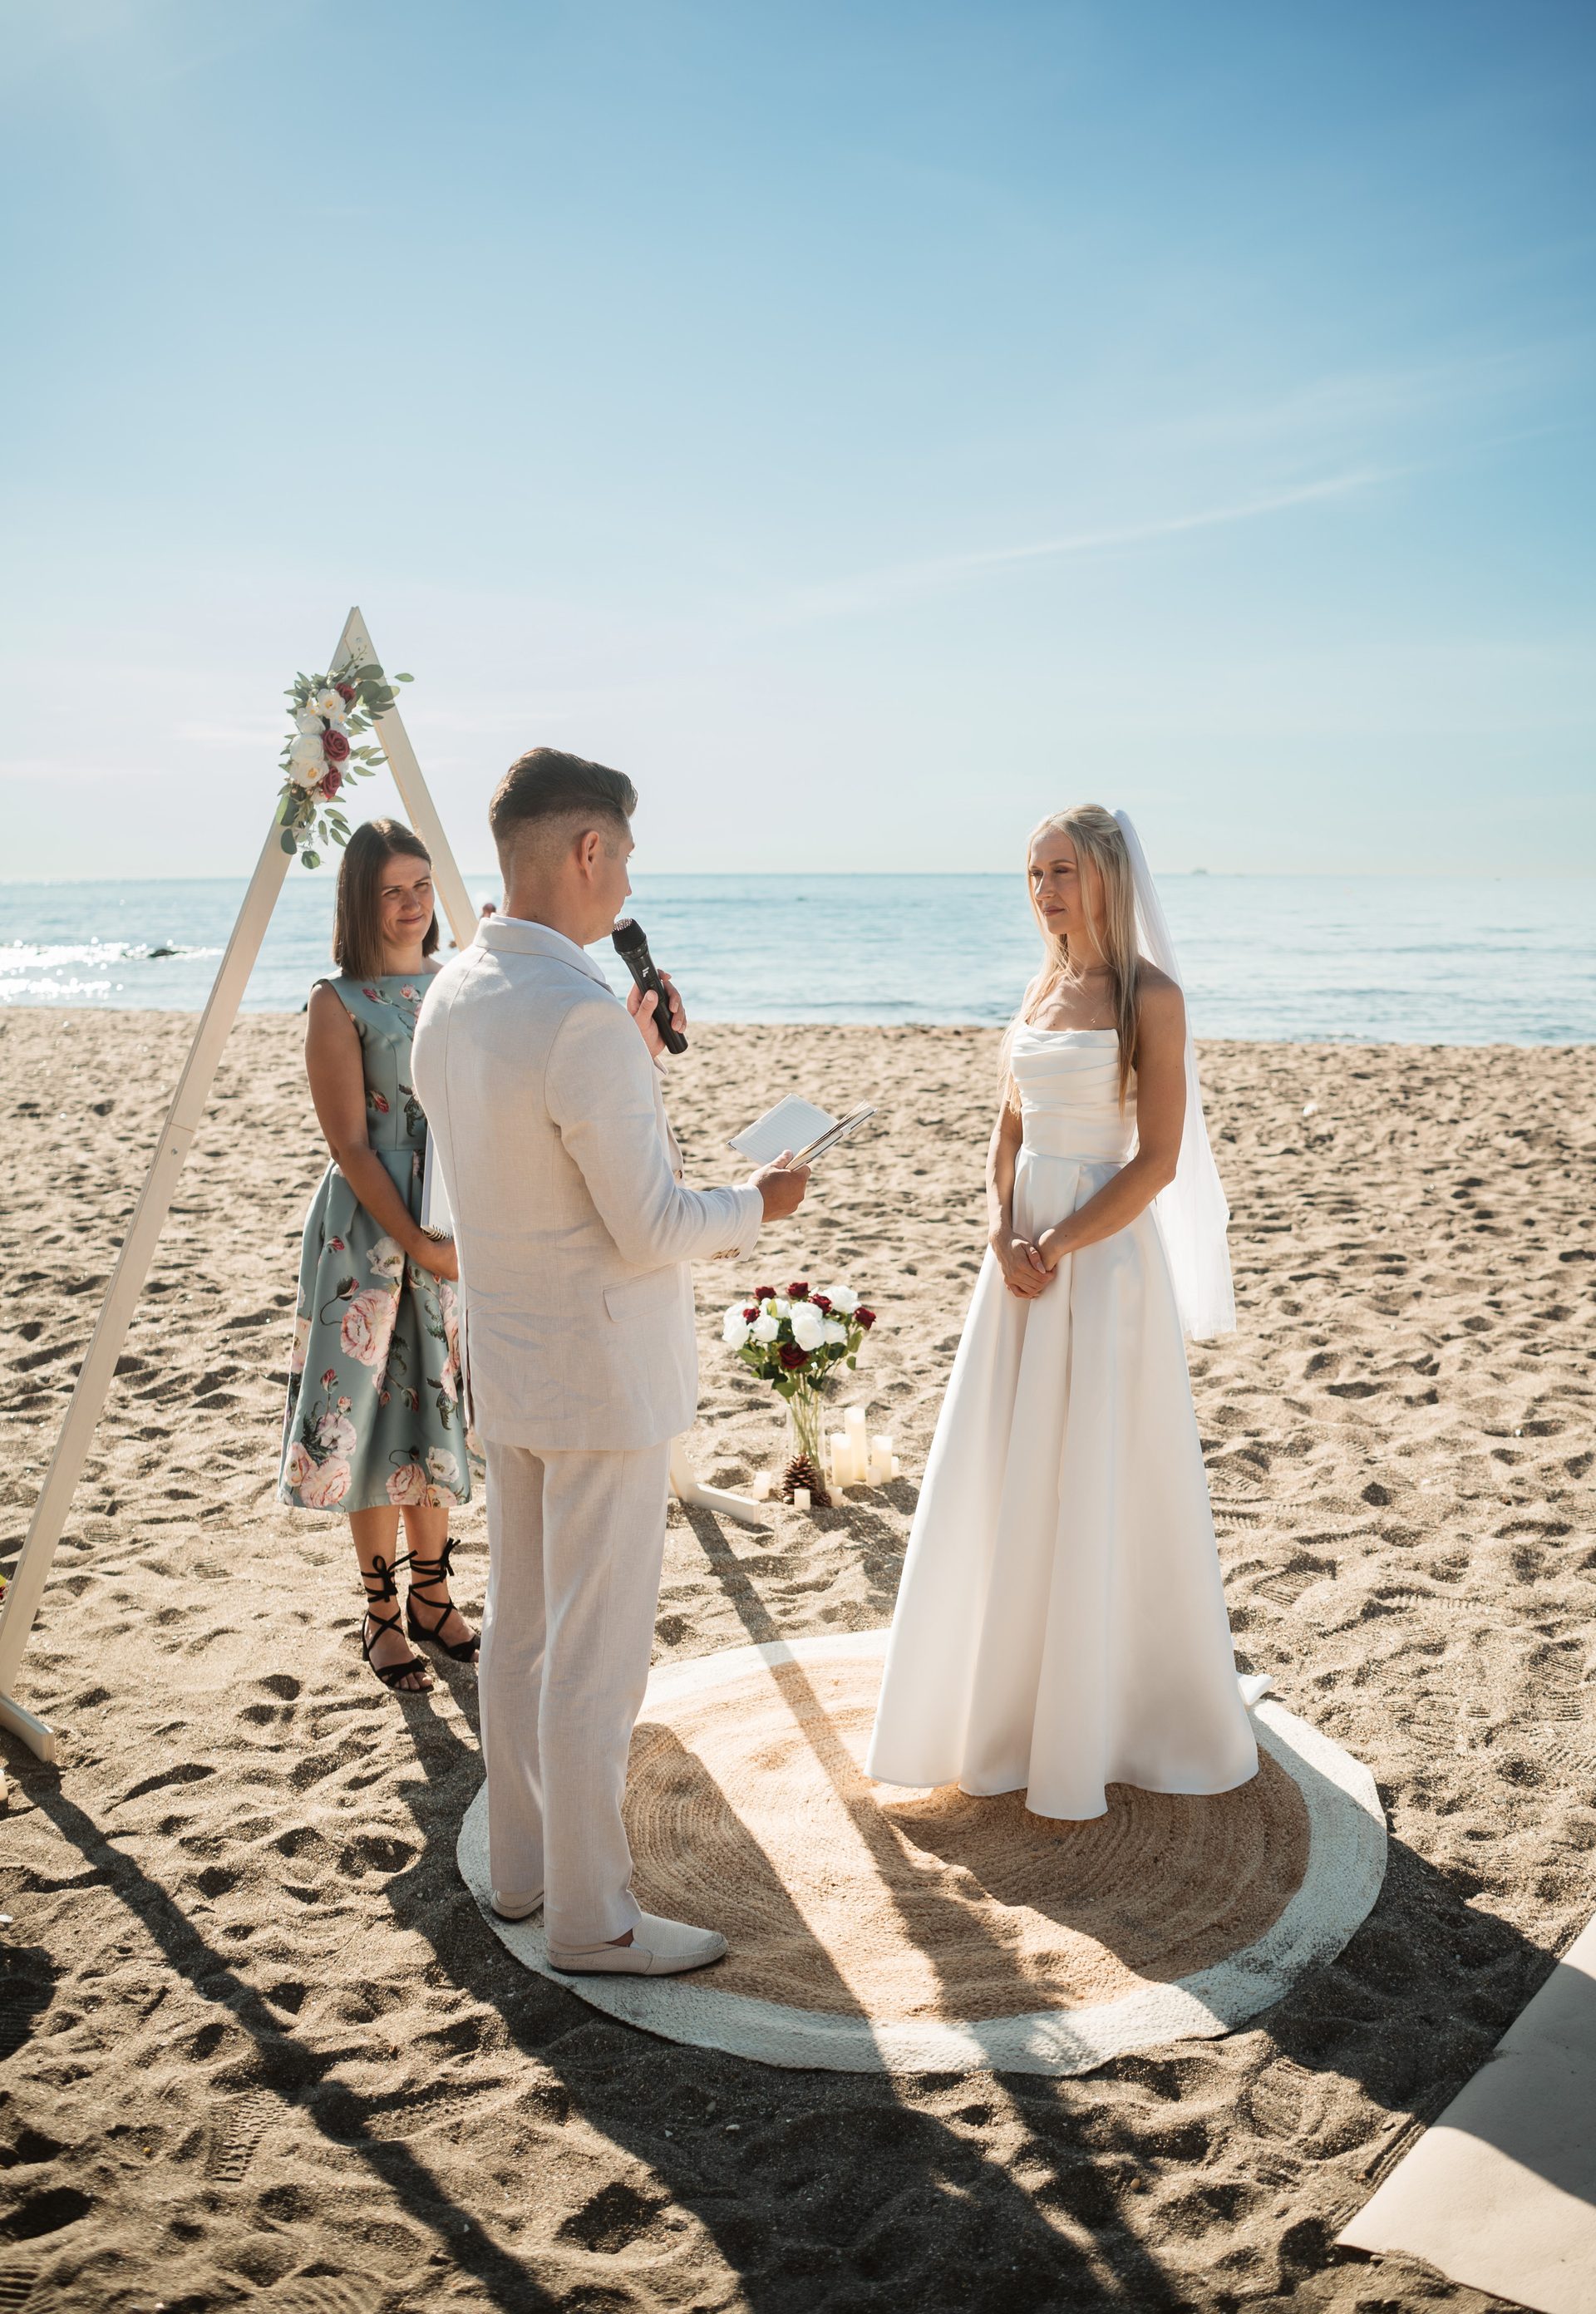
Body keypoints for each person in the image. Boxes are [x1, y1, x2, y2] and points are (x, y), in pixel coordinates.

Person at [411, 748, 809, 1976]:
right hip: (600, 1375)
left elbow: (522, 1178)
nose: (628, 878)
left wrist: (631, 1055)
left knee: (524, 1630)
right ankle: (596, 1919)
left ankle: (525, 1871)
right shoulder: (576, 1015)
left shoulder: (456, 993)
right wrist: (760, 1203)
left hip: (510, 1365)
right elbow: (649, 1226)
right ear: (587, 851)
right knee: (595, 1654)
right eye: (625, 854)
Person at [865, 804, 1258, 1818]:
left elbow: (1160, 1158)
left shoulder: (1151, 997)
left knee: (1096, 1473)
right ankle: (1002, 1702)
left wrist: (1062, 1241)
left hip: (1101, 1263)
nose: (1045, 892)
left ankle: (1108, 1711)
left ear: (1109, 878)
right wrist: (1002, 1230)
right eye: (1035, 873)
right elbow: (1006, 1133)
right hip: (1021, 1264)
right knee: (1008, 1469)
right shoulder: (1040, 987)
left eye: (1063, 873)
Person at [278, 816, 477, 1696]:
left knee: (430, 1408)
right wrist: (420, 1247)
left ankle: (434, 1593)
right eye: (393, 889)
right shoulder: (338, 1000)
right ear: (361, 898)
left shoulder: (457, 985)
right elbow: (353, 1147)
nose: (411, 905)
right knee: (365, 1420)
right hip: (368, 1230)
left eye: (423, 886)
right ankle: (381, 1611)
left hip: (449, 1212)